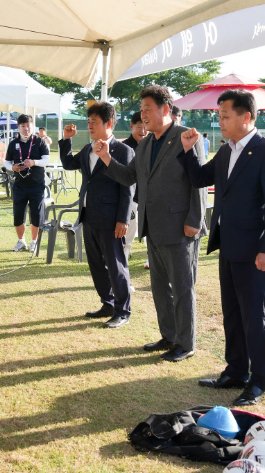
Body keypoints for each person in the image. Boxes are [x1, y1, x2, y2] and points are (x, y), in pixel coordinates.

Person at [176, 88, 265, 406]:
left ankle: (259, 381)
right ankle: (236, 370)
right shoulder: (226, 150)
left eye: (225, 115)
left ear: (246, 117)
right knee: (232, 314)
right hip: (228, 246)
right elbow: (199, 178)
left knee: (254, 316)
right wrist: (188, 150)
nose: (220, 121)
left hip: (254, 251)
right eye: (219, 115)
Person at [97, 85, 207, 359]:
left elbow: (199, 183)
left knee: (182, 289)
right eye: (142, 110)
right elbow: (129, 177)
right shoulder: (145, 143)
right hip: (153, 227)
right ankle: (168, 337)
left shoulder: (187, 136)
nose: (143, 115)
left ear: (165, 109)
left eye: (148, 109)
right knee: (160, 289)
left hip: (181, 228)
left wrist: (195, 219)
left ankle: (186, 343)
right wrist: (106, 157)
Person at [59, 102, 134, 329]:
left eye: (95, 122)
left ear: (108, 123)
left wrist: (123, 219)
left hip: (112, 219)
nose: (90, 125)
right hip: (89, 215)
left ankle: (123, 310)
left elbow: (127, 187)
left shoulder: (123, 151)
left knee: (116, 264)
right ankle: (108, 303)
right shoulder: (88, 148)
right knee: (96, 264)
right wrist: (66, 139)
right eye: (88, 121)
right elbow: (68, 163)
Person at [5, 114, 50, 253]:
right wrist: (13, 167)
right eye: (23, 126)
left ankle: (34, 241)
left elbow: (46, 160)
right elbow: (6, 161)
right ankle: (21, 241)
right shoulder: (13, 143)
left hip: (36, 185)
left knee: (36, 214)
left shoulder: (40, 141)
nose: (26, 129)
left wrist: (34, 162)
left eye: (28, 126)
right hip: (19, 184)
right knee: (18, 214)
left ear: (32, 126)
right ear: (18, 127)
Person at [122, 111, 146, 264]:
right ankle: (123, 260)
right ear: (131, 126)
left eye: (145, 127)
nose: (143, 131)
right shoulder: (124, 148)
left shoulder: (151, 144)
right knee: (128, 233)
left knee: (152, 233)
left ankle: (151, 259)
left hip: (149, 197)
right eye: (139, 127)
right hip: (131, 198)